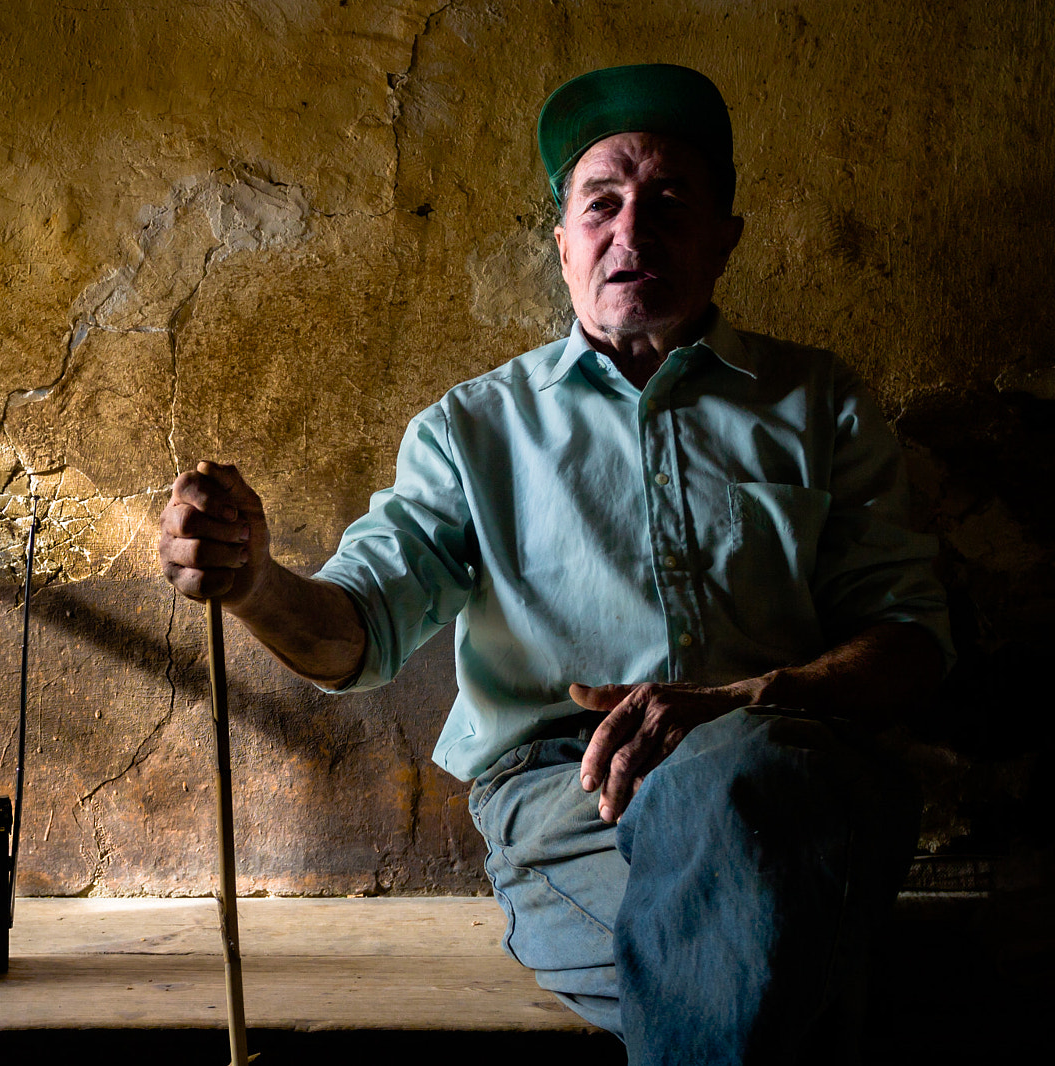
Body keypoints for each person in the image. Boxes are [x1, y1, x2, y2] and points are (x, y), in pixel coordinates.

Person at [158, 63, 950, 1063]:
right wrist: (251, 582)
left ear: (724, 239)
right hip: (573, 800)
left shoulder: (817, 403)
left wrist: (746, 701)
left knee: (738, 829)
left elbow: (913, 643)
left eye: (669, 203)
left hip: (796, 773)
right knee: (762, 955)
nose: (632, 230)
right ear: (563, 242)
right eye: (602, 204)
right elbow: (355, 634)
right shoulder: (472, 431)